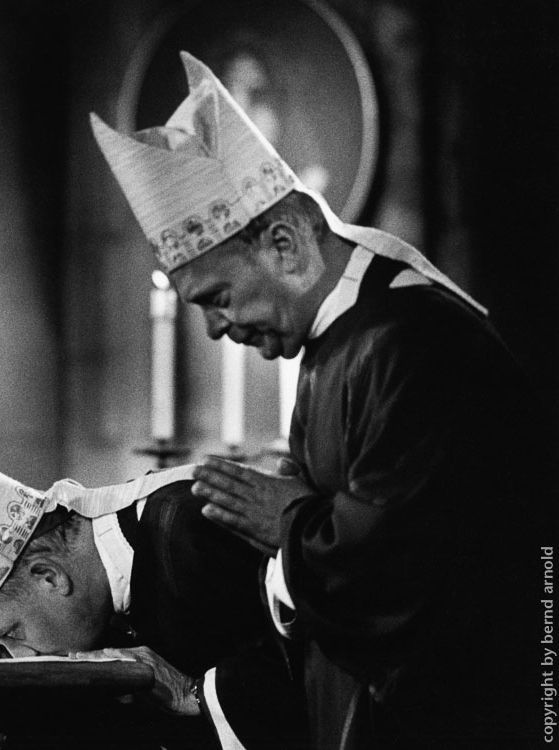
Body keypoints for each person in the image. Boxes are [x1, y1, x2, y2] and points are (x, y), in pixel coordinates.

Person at [91, 52, 551, 748]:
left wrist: (290, 525)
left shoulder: (409, 340)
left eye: (216, 298)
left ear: (282, 243)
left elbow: (413, 571)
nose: (215, 327)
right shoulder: (338, 341)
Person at [0, 425, 301, 747]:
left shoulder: (187, 534)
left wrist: (197, 695)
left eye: (13, 633)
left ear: (49, 576)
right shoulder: (118, 593)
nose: (23, 655)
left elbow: (316, 674)